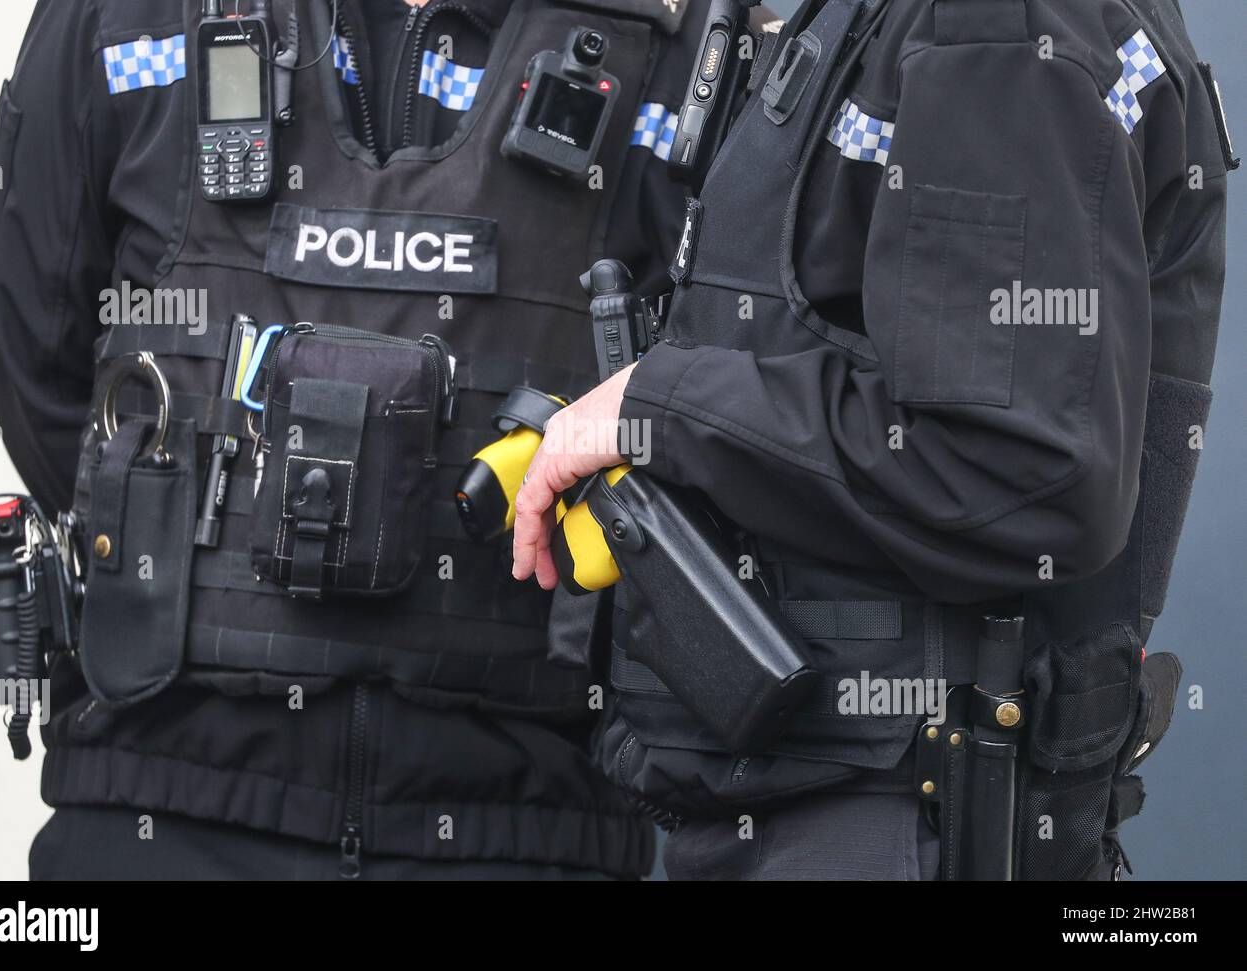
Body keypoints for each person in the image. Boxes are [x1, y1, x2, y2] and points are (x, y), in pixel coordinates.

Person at [0, 0, 711, 880]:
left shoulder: (681, 43)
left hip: (530, 816)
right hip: (160, 795)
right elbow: (41, 364)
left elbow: (715, 397)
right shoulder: (123, 19)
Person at [512, 0, 1233, 880]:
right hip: (818, 810)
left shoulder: (1001, 29)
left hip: (893, 821)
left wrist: (666, 407)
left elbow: (1016, 473)